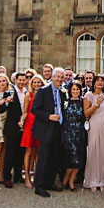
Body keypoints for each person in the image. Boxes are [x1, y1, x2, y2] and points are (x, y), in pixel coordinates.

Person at [31, 67, 66, 196]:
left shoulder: (63, 92)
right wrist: (48, 116)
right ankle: (39, 186)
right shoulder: (43, 91)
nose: (59, 79)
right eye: (57, 77)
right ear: (52, 77)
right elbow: (34, 109)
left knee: (54, 158)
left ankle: (49, 182)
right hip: (45, 129)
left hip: (58, 128)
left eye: (61, 77)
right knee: (43, 159)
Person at [1, 72, 27, 188]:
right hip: (12, 127)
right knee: (10, 153)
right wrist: (6, 102)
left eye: (23, 80)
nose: (21, 82)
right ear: (15, 80)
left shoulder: (27, 92)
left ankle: (17, 175)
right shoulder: (9, 92)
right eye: (19, 80)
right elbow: (1, 109)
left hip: (24, 127)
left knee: (20, 152)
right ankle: (7, 176)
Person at [61, 81, 86, 191]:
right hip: (68, 132)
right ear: (70, 90)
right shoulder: (66, 102)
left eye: (77, 89)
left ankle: (71, 181)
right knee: (69, 157)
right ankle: (65, 178)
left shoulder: (83, 102)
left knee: (78, 157)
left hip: (79, 131)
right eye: (73, 89)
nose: (75, 91)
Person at [20, 74, 44, 188]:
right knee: (29, 151)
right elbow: (25, 112)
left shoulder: (44, 95)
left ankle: (37, 175)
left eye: (39, 82)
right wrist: (21, 120)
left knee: (38, 151)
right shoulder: (28, 96)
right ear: (31, 84)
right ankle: (27, 177)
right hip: (30, 123)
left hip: (41, 124)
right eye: (34, 82)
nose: (37, 84)